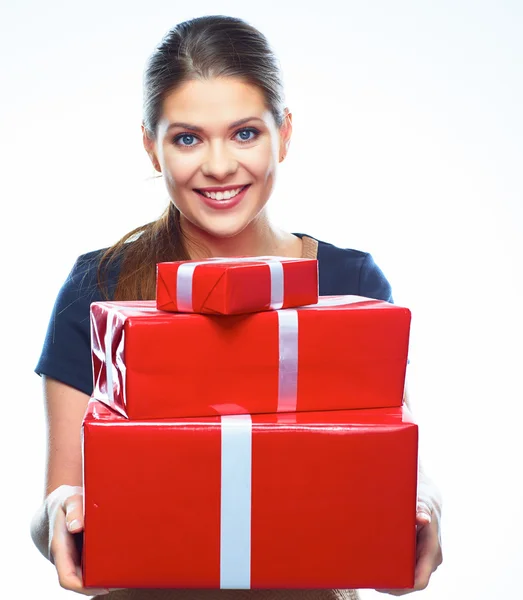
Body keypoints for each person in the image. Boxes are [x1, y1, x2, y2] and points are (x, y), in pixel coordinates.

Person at [30, 15, 443, 600]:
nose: (220, 166)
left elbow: (392, 461)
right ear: (152, 146)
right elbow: (53, 503)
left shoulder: (350, 282)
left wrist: (427, 510)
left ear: (286, 132)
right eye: (188, 138)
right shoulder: (100, 284)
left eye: (245, 133)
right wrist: (61, 514)